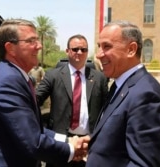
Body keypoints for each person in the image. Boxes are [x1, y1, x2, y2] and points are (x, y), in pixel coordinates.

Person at [0, 18, 90, 167]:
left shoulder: (15, 75)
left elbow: (33, 128)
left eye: (37, 40)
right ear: (10, 48)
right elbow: (33, 141)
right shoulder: (9, 81)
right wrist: (72, 149)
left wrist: (67, 140)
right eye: (31, 41)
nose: (39, 46)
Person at [86, 20, 160, 167]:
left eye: (107, 46)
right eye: (99, 46)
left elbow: (142, 164)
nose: (99, 55)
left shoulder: (146, 96)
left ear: (131, 49)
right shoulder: (121, 84)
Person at [36, 34, 108, 167]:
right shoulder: (53, 76)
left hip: (89, 143)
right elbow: (34, 102)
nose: (79, 52)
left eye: (83, 49)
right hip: (61, 142)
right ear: (67, 51)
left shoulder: (100, 78)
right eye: (75, 49)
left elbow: (107, 111)